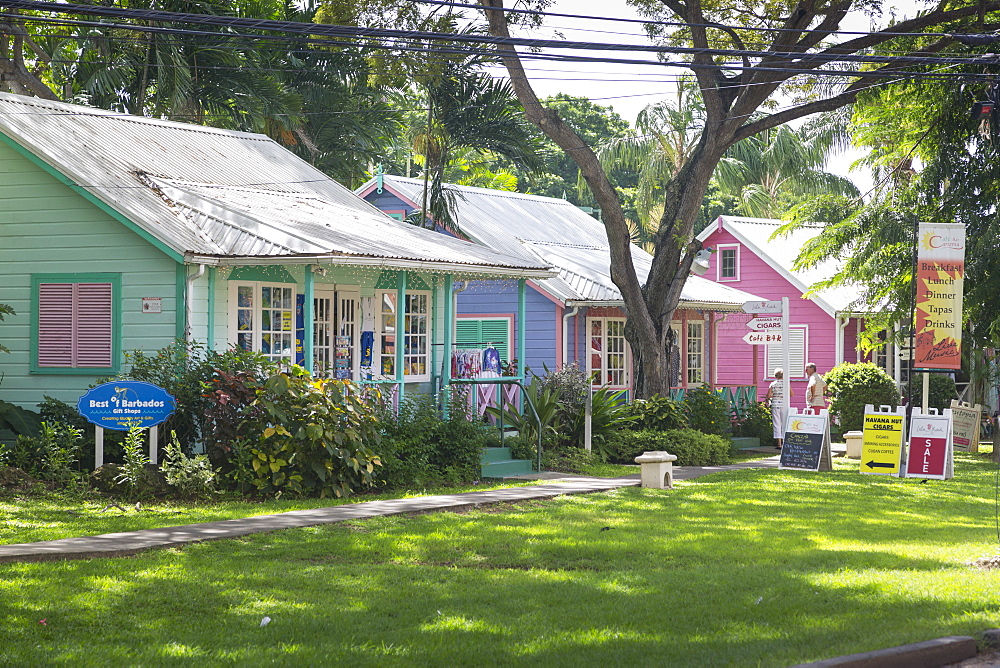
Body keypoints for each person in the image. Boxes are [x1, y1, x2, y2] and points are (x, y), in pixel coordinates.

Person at [765, 368, 788, 449]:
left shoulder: (773, 384)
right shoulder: (786, 384)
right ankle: (786, 441)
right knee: (785, 422)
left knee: (777, 423)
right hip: (784, 404)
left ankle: (779, 443)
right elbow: (791, 394)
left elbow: (768, 396)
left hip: (775, 405)